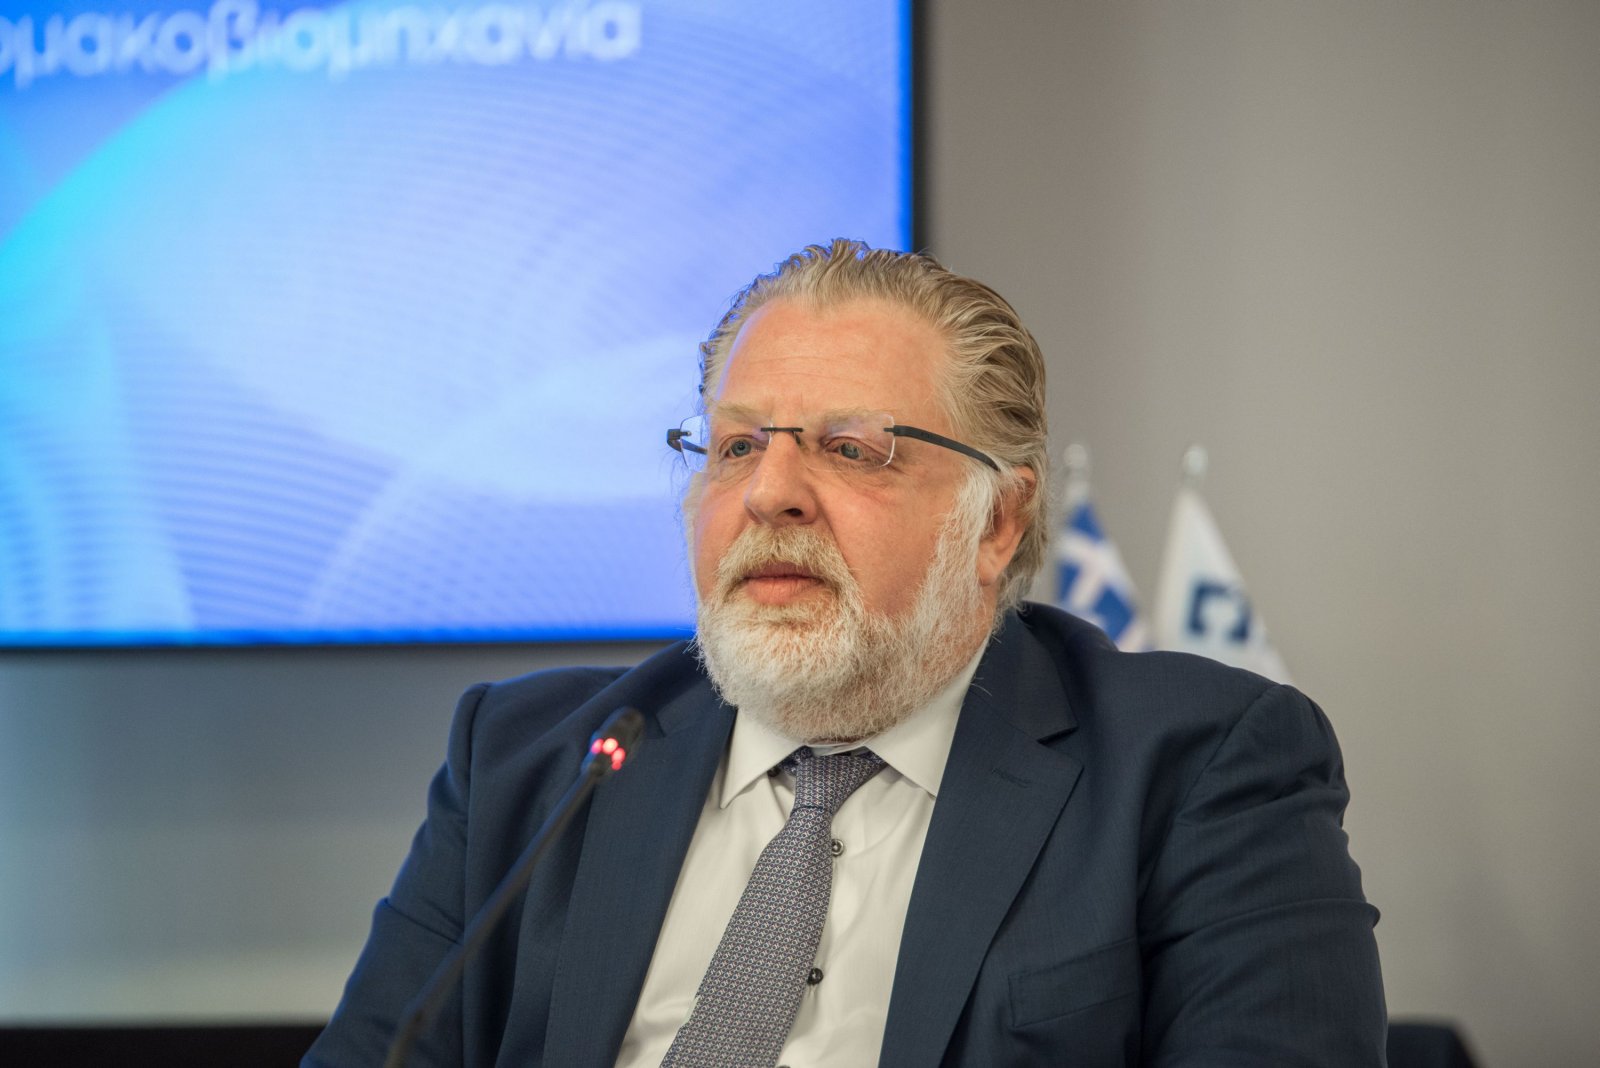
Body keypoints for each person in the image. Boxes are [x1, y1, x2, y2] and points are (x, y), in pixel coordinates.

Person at [305, 240, 1386, 1066]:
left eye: (851, 449)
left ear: (998, 522)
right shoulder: (529, 763)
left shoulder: (1197, 768)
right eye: (736, 446)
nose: (769, 493)